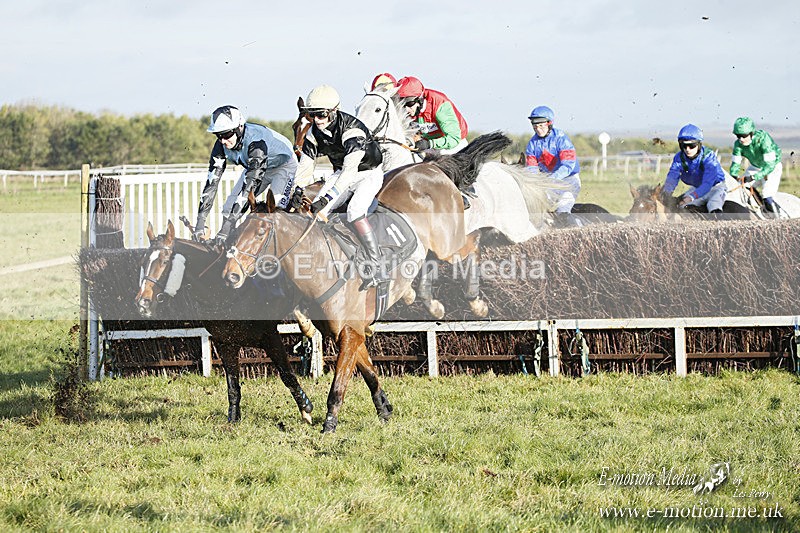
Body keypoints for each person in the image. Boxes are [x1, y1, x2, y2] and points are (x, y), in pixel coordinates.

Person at [297, 85, 386, 289]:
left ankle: (377, 264)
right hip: (341, 173)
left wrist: (327, 198)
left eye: (321, 115)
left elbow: (350, 171)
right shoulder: (313, 132)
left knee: (355, 211)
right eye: (312, 115)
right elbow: (305, 167)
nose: (317, 120)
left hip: (367, 173)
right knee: (315, 214)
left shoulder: (351, 130)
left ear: (334, 111)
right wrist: (295, 190)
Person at [194, 105, 296, 244]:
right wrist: (200, 222)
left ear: (239, 128)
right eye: (218, 135)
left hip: (283, 165)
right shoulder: (220, 145)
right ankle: (227, 244)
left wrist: (227, 226)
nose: (223, 141)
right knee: (228, 207)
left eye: (227, 134)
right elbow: (212, 184)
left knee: (276, 211)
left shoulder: (256, 141)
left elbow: (249, 188)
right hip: (256, 167)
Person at [524, 105, 581, 227]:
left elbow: (568, 165)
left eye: (541, 125)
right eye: (535, 126)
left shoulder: (561, 139)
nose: (538, 129)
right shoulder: (532, 144)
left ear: (549, 123)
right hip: (548, 183)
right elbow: (531, 168)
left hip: (568, 181)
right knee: (534, 209)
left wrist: (551, 179)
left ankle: (578, 230)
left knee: (562, 212)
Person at [662, 124, 726, 215]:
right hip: (697, 188)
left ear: (699, 144)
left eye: (692, 146)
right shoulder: (679, 157)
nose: (688, 149)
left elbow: (708, 184)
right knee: (681, 207)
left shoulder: (708, 156)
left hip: (715, 188)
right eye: (684, 146)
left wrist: (692, 196)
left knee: (713, 206)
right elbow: (672, 177)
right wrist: (667, 193)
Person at [394, 76, 468, 154]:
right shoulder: (404, 110)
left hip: (452, 146)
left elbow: (453, 138)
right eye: (402, 104)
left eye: (409, 103)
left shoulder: (440, 104)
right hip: (428, 145)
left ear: (420, 99)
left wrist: (429, 144)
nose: (406, 109)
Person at [729, 117, 783, 218]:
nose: (741, 139)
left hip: (772, 168)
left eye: (744, 136)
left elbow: (770, 165)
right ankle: (755, 208)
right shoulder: (738, 144)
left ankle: (778, 221)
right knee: (741, 186)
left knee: (766, 194)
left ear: (751, 133)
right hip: (755, 167)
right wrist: (733, 175)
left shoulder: (763, 139)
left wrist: (754, 177)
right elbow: (735, 164)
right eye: (738, 136)